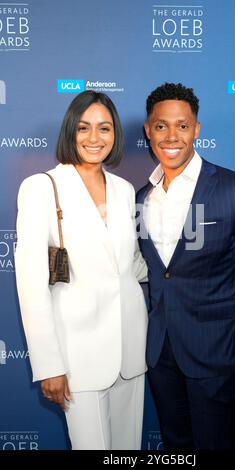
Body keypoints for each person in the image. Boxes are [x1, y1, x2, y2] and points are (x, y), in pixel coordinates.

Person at [136, 82, 235, 450]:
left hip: (219, 354)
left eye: (182, 126)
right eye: (161, 126)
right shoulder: (141, 198)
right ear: (148, 131)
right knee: (175, 448)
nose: (172, 136)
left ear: (196, 129)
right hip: (161, 354)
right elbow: (152, 273)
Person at [15, 90, 148, 450]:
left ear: (115, 135)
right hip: (77, 355)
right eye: (84, 128)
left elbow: (132, 264)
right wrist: (48, 365)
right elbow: (30, 283)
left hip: (131, 349)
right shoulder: (42, 187)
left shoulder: (123, 190)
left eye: (104, 128)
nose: (94, 138)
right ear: (70, 131)